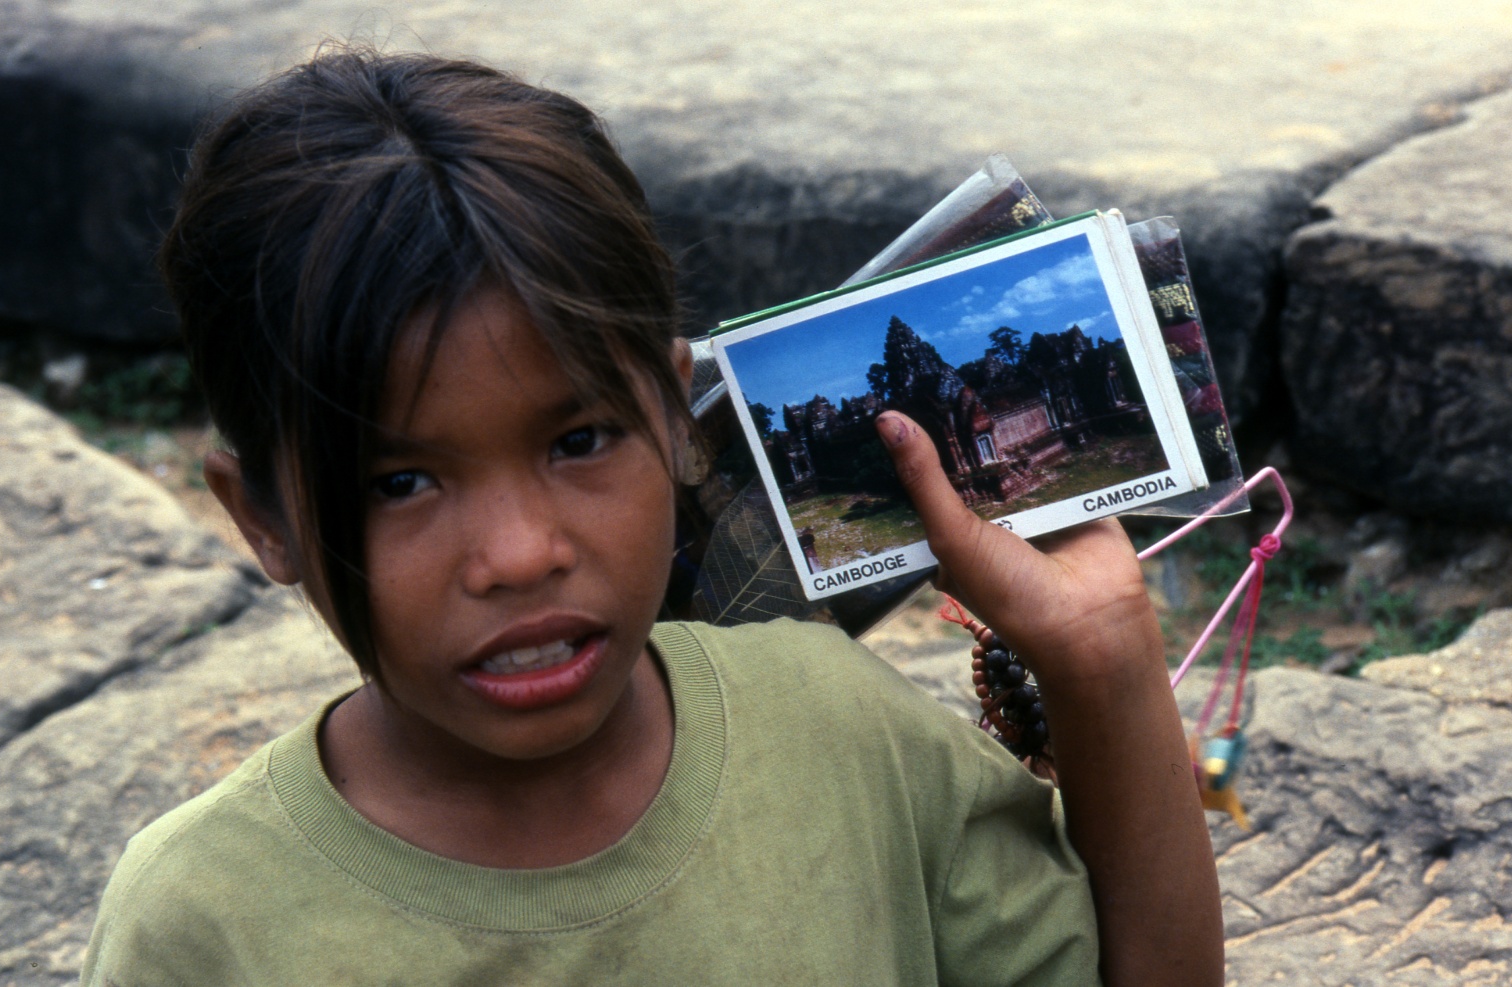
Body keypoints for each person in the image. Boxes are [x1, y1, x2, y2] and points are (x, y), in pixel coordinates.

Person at [80, 47, 1222, 986]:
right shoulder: (204, 926)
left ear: (677, 420)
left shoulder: (844, 733)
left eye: (579, 441)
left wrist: (1102, 656)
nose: (521, 554)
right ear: (264, 518)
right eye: (400, 483)